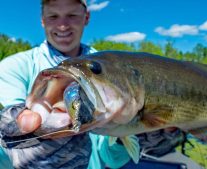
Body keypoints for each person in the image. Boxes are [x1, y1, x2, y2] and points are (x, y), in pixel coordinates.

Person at [0, 0, 137, 168]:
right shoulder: (12, 67)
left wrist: (126, 134)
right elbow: (10, 137)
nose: (63, 25)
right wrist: (10, 148)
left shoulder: (115, 69)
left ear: (86, 17)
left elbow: (113, 160)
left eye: (72, 15)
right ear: (42, 20)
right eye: (53, 16)